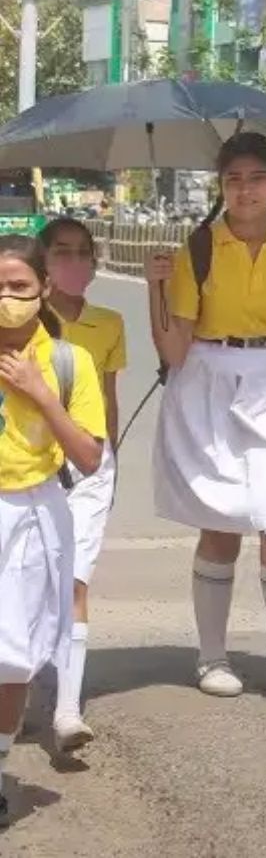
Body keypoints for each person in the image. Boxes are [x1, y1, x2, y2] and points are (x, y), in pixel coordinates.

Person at [144, 132, 266, 703]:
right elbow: (174, 350)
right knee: (222, 520)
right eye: (233, 179)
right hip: (209, 382)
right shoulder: (198, 249)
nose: (245, 190)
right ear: (221, 187)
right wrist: (155, 288)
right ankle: (212, 657)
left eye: (257, 178)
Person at [0, 235, 105, 826]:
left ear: (44, 289)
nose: (8, 300)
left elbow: (89, 458)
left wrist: (41, 395)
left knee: (14, 657)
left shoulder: (69, 362)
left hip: (36, 515)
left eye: (19, 287)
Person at [39, 218, 126, 753]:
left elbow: (110, 400)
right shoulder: (22, 321)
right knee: (26, 585)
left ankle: (67, 709)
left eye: (82, 252)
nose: (73, 262)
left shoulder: (110, 323)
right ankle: (22, 686)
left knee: (74, 581)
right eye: (61, 252)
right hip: (26, 469)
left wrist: (108, 461)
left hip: (88, 467)